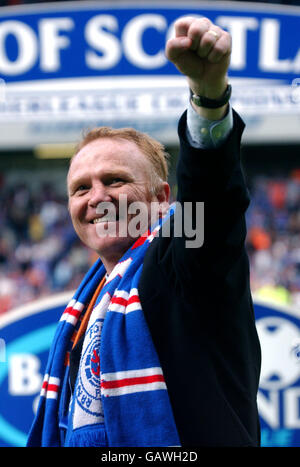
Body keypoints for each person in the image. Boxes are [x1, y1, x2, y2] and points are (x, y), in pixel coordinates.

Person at [27, 16, 261, 447]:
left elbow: (210, 203)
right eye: (81, 187)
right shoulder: (89, 301)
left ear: (161, 199)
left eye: (115, 180)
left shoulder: (183, 260)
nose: (96, 197)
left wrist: (208, 97)